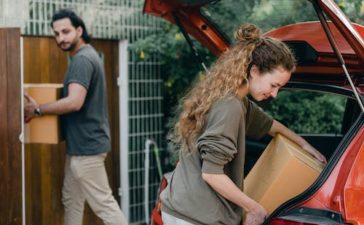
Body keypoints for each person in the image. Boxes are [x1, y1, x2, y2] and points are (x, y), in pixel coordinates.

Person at [160, 24, 327, 225]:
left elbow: (272, 126)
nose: (274, 94)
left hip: (181, 205)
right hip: (194, 217)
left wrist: (304, 145)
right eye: (274, 85)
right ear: (254, 70)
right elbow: (211, 174)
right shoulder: (229, 107)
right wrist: (254, 208)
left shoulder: (236, 100)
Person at [24, 9, 128, 225]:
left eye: (66, 31)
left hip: (87, 151)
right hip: (79, 149)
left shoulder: (82, 60)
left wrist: (38, 109)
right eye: (56, 34)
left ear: (79, 30)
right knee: (71, 200)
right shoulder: (88, 56)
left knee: (105, 206)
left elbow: (74, 102)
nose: (61, 38)